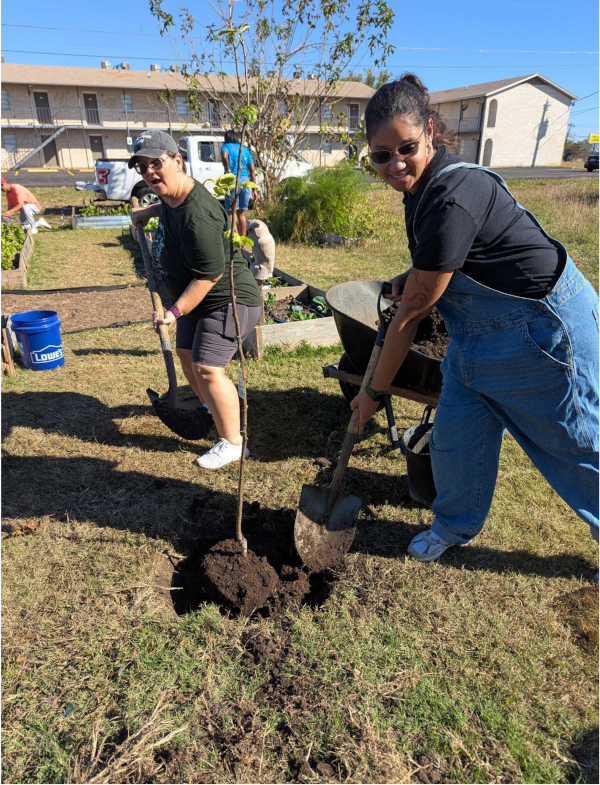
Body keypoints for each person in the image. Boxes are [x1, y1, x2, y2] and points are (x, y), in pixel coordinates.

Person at [350, 74, 599, 563]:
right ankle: (453, 525)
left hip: (539, 334)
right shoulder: (421, 188)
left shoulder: (452, 192)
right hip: (473, 338)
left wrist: (373, 391)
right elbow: (453, 254)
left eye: (407, 147)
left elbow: (412, 315)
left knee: (573, 448)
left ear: (429, 131)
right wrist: (412, 273)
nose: (396, 163)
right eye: (382, 155)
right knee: (456, 443)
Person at [130, 130, 262, 469]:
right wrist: (150, 212)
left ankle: (233, 442)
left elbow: (209, 276)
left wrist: (174, 311)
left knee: (207, 367)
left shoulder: (198, 216)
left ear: (178, 160)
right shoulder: (175, 198)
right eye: (142, 167)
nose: (149, 173)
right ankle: (212, 408)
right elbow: (174, 206)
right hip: (198, 300)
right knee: (186, 355)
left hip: (228, 299)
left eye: (155, 163)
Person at [221, 129, 257, 238]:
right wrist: (255, 190)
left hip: (232, 180)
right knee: (241, 213)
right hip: (245, 181)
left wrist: (227, 169)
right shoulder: (244, 149)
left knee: (230, 213)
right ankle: (243, 240)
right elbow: (252, 170)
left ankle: (234, 239)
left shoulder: (226, 146)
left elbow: (224, 156)